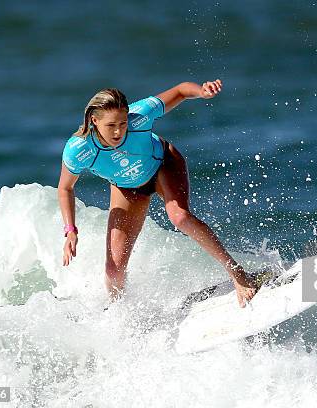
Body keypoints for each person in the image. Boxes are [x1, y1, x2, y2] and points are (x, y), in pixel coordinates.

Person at [57, 80, 257, 307]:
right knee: (113, 272)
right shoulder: (78, 150)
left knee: (179, 217)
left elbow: (181, 91)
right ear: (94, 120)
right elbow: (65, 188)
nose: (118, 131)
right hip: (128, 188)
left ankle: (239, 274)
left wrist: (201, 92)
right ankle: (119, 314)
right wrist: (70, 230)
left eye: (122, 123)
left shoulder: (140, 115)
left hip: (163, 165)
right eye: (111, 125)